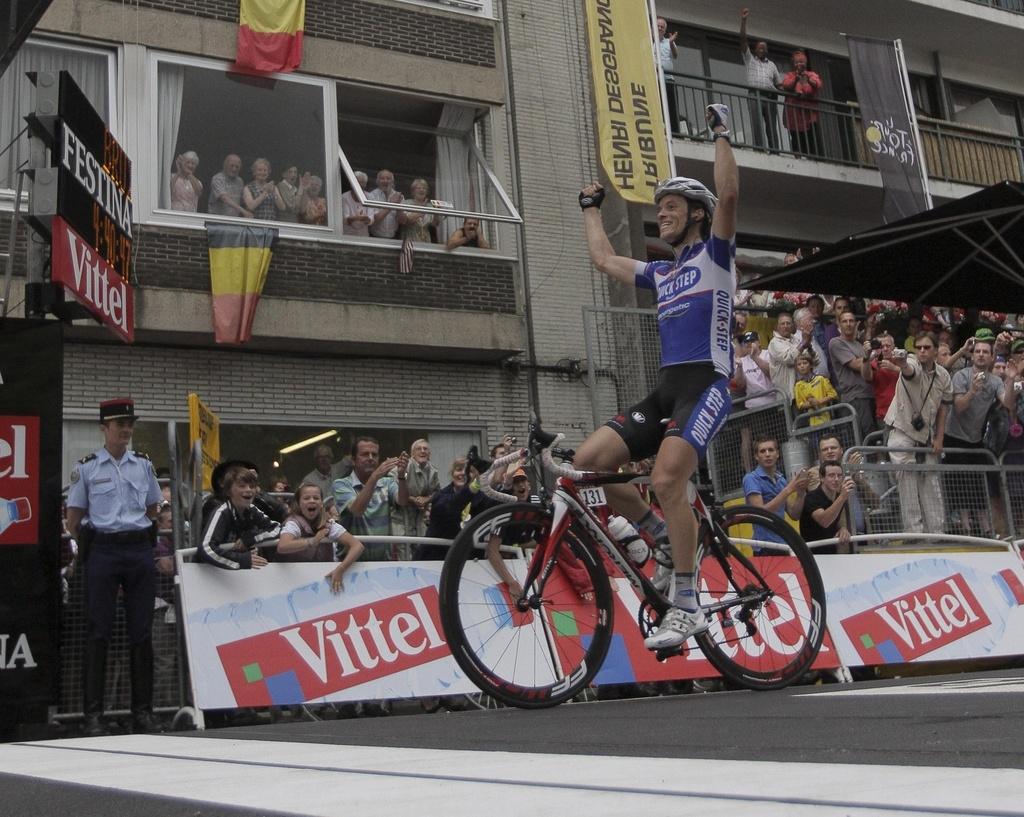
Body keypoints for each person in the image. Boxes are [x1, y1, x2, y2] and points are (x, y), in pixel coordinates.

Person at [573, 104, 738, 651]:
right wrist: (589, 208)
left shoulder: (716, 255)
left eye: (670, 207)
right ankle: (661, 536)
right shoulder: (663, 273)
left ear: (695, 214)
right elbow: (603, 261)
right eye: (659, 207)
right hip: (668, 385)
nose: (661, 214)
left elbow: (730, 196)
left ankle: (689, 604)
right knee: (588, 465)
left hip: (708, 383)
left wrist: (719, 134)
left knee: (668, 478)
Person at [65, 398, 164, 736]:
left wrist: (132, 530)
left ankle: (143, 713)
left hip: (138, 548)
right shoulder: (88, 467)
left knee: (142, 632)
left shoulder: (144, 466)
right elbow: (73, 519)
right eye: (119, 424)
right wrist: (99, 540)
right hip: (104, 550)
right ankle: (93, 716)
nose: (126, 429)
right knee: (98, 632)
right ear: (104, 428)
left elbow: (152, 508)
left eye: (129, 424)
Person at [943, 336, 1014, 537]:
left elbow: (1008, 404)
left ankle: (986, 529)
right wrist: (973, 390)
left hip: (976, 438)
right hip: (954, 436)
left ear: (992, 357)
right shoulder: (961, 376)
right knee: (960, 482)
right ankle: (966, 528)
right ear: (972, 355)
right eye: (978, 351)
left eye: (985, 352)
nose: (981, 354)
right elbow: (959, 407)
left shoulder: (995, 381)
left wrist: (1010, 378)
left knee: (977, 482)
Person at [884, 331, 952, 533]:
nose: (922, 351)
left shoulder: (943, 375)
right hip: (902, 432)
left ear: (936, 350)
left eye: (927, 347)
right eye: (919, 347)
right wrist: (902, 362)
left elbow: (944, 408)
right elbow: (909, 370)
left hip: (927, 435)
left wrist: (939, 438)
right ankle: (915, 534)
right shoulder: (911, 362)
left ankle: (937, 534)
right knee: (908, 486)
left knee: (931, 484)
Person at [276, 483, 364, 592]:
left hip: (323, 583)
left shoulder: (329, 524)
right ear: (298, 503)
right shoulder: (293, 523)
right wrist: (313, 541)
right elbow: (283, 546)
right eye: (306, 498)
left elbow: (357, 546)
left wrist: (341, 569)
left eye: (316, 498)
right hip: (292, 584)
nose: (312, 500)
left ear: (321, 503)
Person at [332, 437, 410, 560]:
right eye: (364, 454)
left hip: (382, 563)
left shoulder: (387, 482)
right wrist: (374, 477)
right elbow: (357, 511)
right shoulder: (341, 484)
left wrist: (401, 476)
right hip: (350, 564)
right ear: (353, 460)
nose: (370, 458)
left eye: (374, 454)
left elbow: (403, 501)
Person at [196, 464, 278, 569]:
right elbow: (206, 549)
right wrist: (241, 560)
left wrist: (252, 538)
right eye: (242, 486)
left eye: (252, 486)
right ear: (228, 491)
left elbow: (277, 528)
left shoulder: (252, 510)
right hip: (208, 577)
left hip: (233, 577)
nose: (249, 490)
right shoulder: (222, 512)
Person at [742, 435, 809, 551]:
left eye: (771, 450)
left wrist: (801, 493)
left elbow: (794, 515)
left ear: (777, 454)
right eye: (762, 451)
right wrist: (788, 489)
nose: (767, 454)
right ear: (756, 456)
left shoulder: (781, 480)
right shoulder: (751, 478)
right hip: (764, 545)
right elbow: (760, 512)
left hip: (783, 543)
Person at [829, 310, 877, 442]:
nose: (848, 324)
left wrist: (869, 329)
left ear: (856, 324)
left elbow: (866, 356)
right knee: (866, 436)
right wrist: (873, 357)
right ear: (839, 324)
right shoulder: (836, 342)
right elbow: (856, 364)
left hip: (869, 394)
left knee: (874, 433)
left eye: (851, 321)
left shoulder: (858, 344)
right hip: (855, 397)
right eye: (844, 321)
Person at [738, 8, 782, 150]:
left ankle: (774, 150)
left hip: (769, 97)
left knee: (771, 126)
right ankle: (759, 149)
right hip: (754, 95)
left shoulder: (772, 65)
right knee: (756, 124)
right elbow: (743, 41)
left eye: (764, 48)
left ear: (767, 50)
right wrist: (744, 21)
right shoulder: (750, 59)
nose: (762, 50)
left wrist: (788, 88)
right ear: (755, 49)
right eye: (760, 48)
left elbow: (780, 85)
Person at [800, 462, 856, 553]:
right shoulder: (812, 497)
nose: (836, 479)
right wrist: (842, 497)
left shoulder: (839, 496)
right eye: (831, 476)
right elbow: (824, 521)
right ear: (822, 478)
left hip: (831, 551)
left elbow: (837, 518)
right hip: (811, 553)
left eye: (839, 475)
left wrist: (842, 528)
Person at [390, 438, 440, 540]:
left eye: (425, 449)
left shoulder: (433, 471)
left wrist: (427, 499)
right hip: (402, 520)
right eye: (419, 449)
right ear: (412, 453)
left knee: (421, 549)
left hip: (421, 520)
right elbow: (396, 487)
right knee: (403, 551)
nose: (422, 451)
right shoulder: (405, 468)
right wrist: (414, 500)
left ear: (429, 454)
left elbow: (438, 492)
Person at [780, 50, 822, 156]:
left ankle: (813, 157)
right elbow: (786, 85)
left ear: (805, 63)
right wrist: (796, 80)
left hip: (808, 115)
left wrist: (808, 80)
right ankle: (798, 156)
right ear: (793, 64)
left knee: (811, 139)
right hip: (794, 115)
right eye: (797, 62)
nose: (799, 65)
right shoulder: (791, 75)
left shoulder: (811, 75)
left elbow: (818, 84)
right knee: (796, 138)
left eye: (801, 62)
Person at [793, 351, 837, 427]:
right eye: (799, 364)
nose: (802, 366)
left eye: (805, 363)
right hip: (811, 421)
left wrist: (818, 401)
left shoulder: (821, 379)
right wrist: (810, 403)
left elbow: (833, 394)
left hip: (827, 417)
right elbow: (800, 404)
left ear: (811, 365)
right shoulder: (798, 385)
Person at [301, 443, 351, 508]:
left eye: (327, 456)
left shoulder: (338, 468)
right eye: (320, 457)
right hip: (321, 514)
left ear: (331, 458)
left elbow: (353, 458)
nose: (324, 460)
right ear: (315, 460)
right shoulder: (308, 480)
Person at [768, 311, 800, 404]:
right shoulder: (774, 343)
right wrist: (803, 344)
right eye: (782, 323)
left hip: (801, 392)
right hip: (788, 397)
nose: (786, 326)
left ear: (792, 326)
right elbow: (789, 358)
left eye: (788, 323)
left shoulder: (796, 340)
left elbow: (809, 359)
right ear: (777, 327)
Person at [208, 153, 251, 218]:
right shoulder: (218, 178)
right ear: (225, 165)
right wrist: (243, 211)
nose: (234, 169)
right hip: (217, 220)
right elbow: (224, 198)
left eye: (237, 167)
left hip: (234, 221)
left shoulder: (240, 181)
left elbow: (243, 200)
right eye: (231, 166)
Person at [398, 178, 441, 242]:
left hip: (426, 240)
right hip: (410, 239)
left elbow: (434, 224)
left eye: (424, 188)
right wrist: (422, 209)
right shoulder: (406, 203)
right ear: (413, 191)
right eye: (418, 188)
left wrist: (437, 212)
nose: (422, 190)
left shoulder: (430, 206)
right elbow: (407, 221)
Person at [656, 17, 679, 134]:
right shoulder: (650, 42)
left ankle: (674, 132)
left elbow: (675, 55)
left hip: (668, 79)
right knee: (658, 106)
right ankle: (660, 130)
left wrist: (670, 42)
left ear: (665, 30)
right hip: (655, 80)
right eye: (658, 26)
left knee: (671, 108)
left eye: (662, 27)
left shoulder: (668, 41)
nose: (660, 28)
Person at [368, 169, 403, 238]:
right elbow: (375, 219)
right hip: (375, 237)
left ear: (392, 182)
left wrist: (399, 208)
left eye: (388, 178)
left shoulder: (398, 196)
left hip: (394, 238)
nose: (385, 181)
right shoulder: (372, 195)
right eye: (382, 178)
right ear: (377, 182)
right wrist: (392, 204)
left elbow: (402, 221)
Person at [342, 170, 374, 236]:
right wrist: (359, 218)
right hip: (347, 235)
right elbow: (345, 219)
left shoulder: (370, 196)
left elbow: (371, 219)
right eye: (357, 182)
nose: (360, 185)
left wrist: (366, 219)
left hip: (363, 236)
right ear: (351, 183)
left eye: (362, 182)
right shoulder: (344, 197)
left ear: (365, 184)